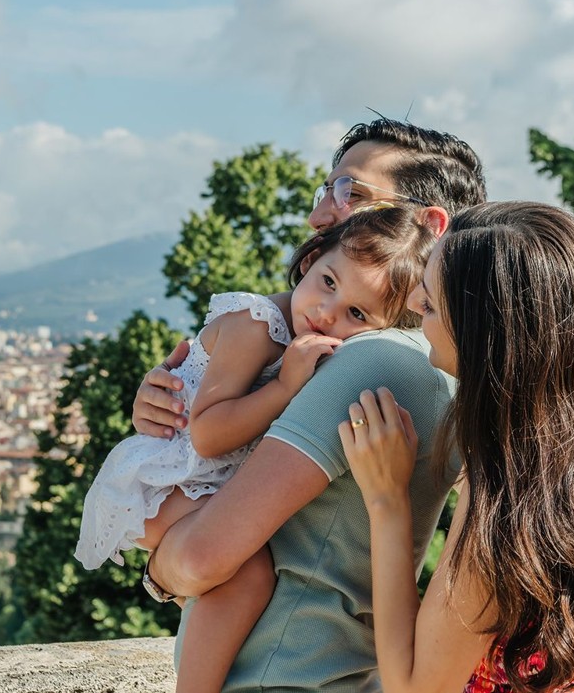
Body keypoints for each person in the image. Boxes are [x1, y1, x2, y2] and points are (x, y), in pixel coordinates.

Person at [140, 118, 488, 691]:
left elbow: (203, 557)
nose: (320, 215)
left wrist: (159, 565)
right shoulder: (429, 361)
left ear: (427, 224)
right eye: (326, 189)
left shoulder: (373, 363)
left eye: (351, 193)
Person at [77, 203, 436, 693]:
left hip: (202, 478)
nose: (326, 314)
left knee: (237, 579)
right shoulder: (258, 324)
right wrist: (285, 389)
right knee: (246, 576)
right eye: (328, 283)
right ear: (309, 261)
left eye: (356, 313)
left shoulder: (349, 352)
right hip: (171, 476)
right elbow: (206, 433)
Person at [340, 202, 574, 693]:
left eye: (434, 303)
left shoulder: (507, 501)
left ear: (488, 338)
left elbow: (415, 688)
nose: (416, 301)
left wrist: (386, 500)